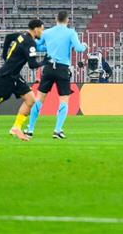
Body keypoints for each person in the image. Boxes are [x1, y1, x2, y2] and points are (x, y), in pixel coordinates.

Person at [26, 11, 86, 140]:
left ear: (55, 19)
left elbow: (37, 46)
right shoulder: (71, 33)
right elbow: (79, 48)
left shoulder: (47, 33)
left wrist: (49, 48)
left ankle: (30, 129)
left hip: (48, 68)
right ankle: (57, 130)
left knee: (39, 98)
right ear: (67, 20)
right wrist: (84, 46)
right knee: (64, 100)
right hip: (62, 68)